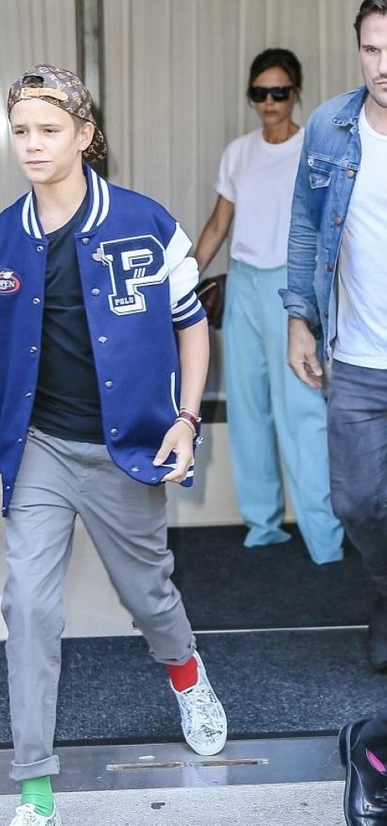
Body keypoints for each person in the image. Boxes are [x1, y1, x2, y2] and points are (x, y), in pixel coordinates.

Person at [0, 64, 227, 826]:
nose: (32, 145)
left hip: (126, 448)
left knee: (148, 595)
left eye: (49, 130)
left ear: (84, 135)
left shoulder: (146, 224)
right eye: (20, 131)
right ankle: (36, 803)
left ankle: (186, 672)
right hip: (39, 448)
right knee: (29, 608)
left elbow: (190, 325)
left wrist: (186, 418)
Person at [281, 0, 387, 826]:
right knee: (355, 502)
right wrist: (297, 318)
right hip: (355, 358)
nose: (385, 65)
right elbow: (307, 225)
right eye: (374, 49)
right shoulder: (330, 127)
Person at [194, 49, 344, 565]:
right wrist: (181, 282)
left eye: (279, 91)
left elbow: (334, 225)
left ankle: (325, 539)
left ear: (296, 92)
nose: (270, 101)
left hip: (294, 289)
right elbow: (219, 224)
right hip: (243, 285)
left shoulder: (316, 149)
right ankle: (262, 528)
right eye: (260, 92)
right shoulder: (238, 152)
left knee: (302, 412)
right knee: (247, 410)